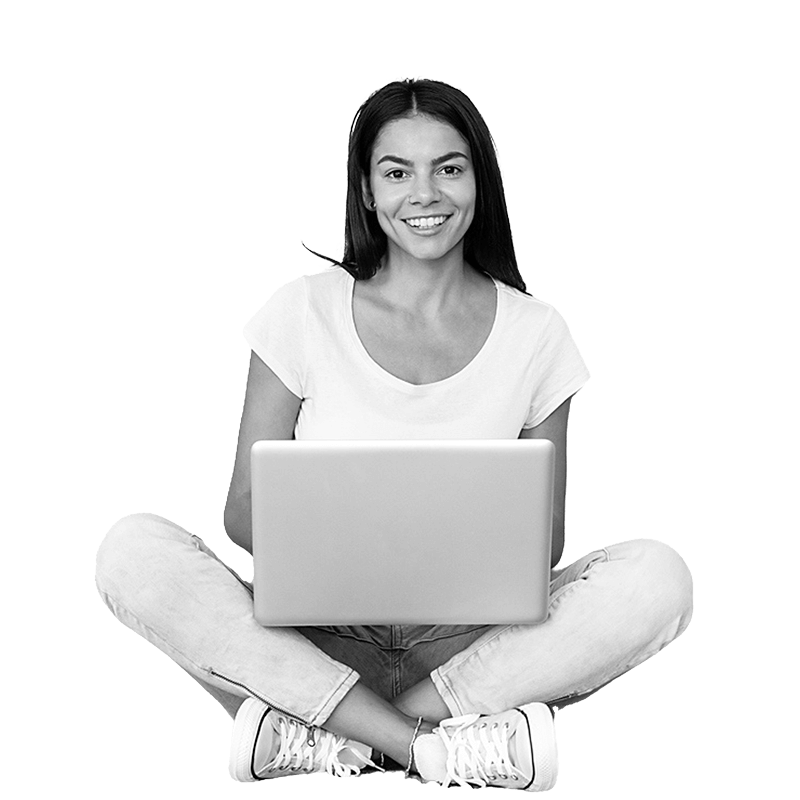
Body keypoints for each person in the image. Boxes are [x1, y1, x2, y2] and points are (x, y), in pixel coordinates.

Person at [94, 76, 694, 790]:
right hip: (314, 637)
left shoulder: (539, 334)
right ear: (367, 191)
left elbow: (546, 543)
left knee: (660, 577)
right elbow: (243, 512)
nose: (426, 195)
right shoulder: (302, 310)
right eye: (397, 171)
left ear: (481, 179)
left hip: (470, 653)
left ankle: (336, 735)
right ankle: (434, 750)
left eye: (449, 167)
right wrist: (354, 542)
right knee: (131, 550)